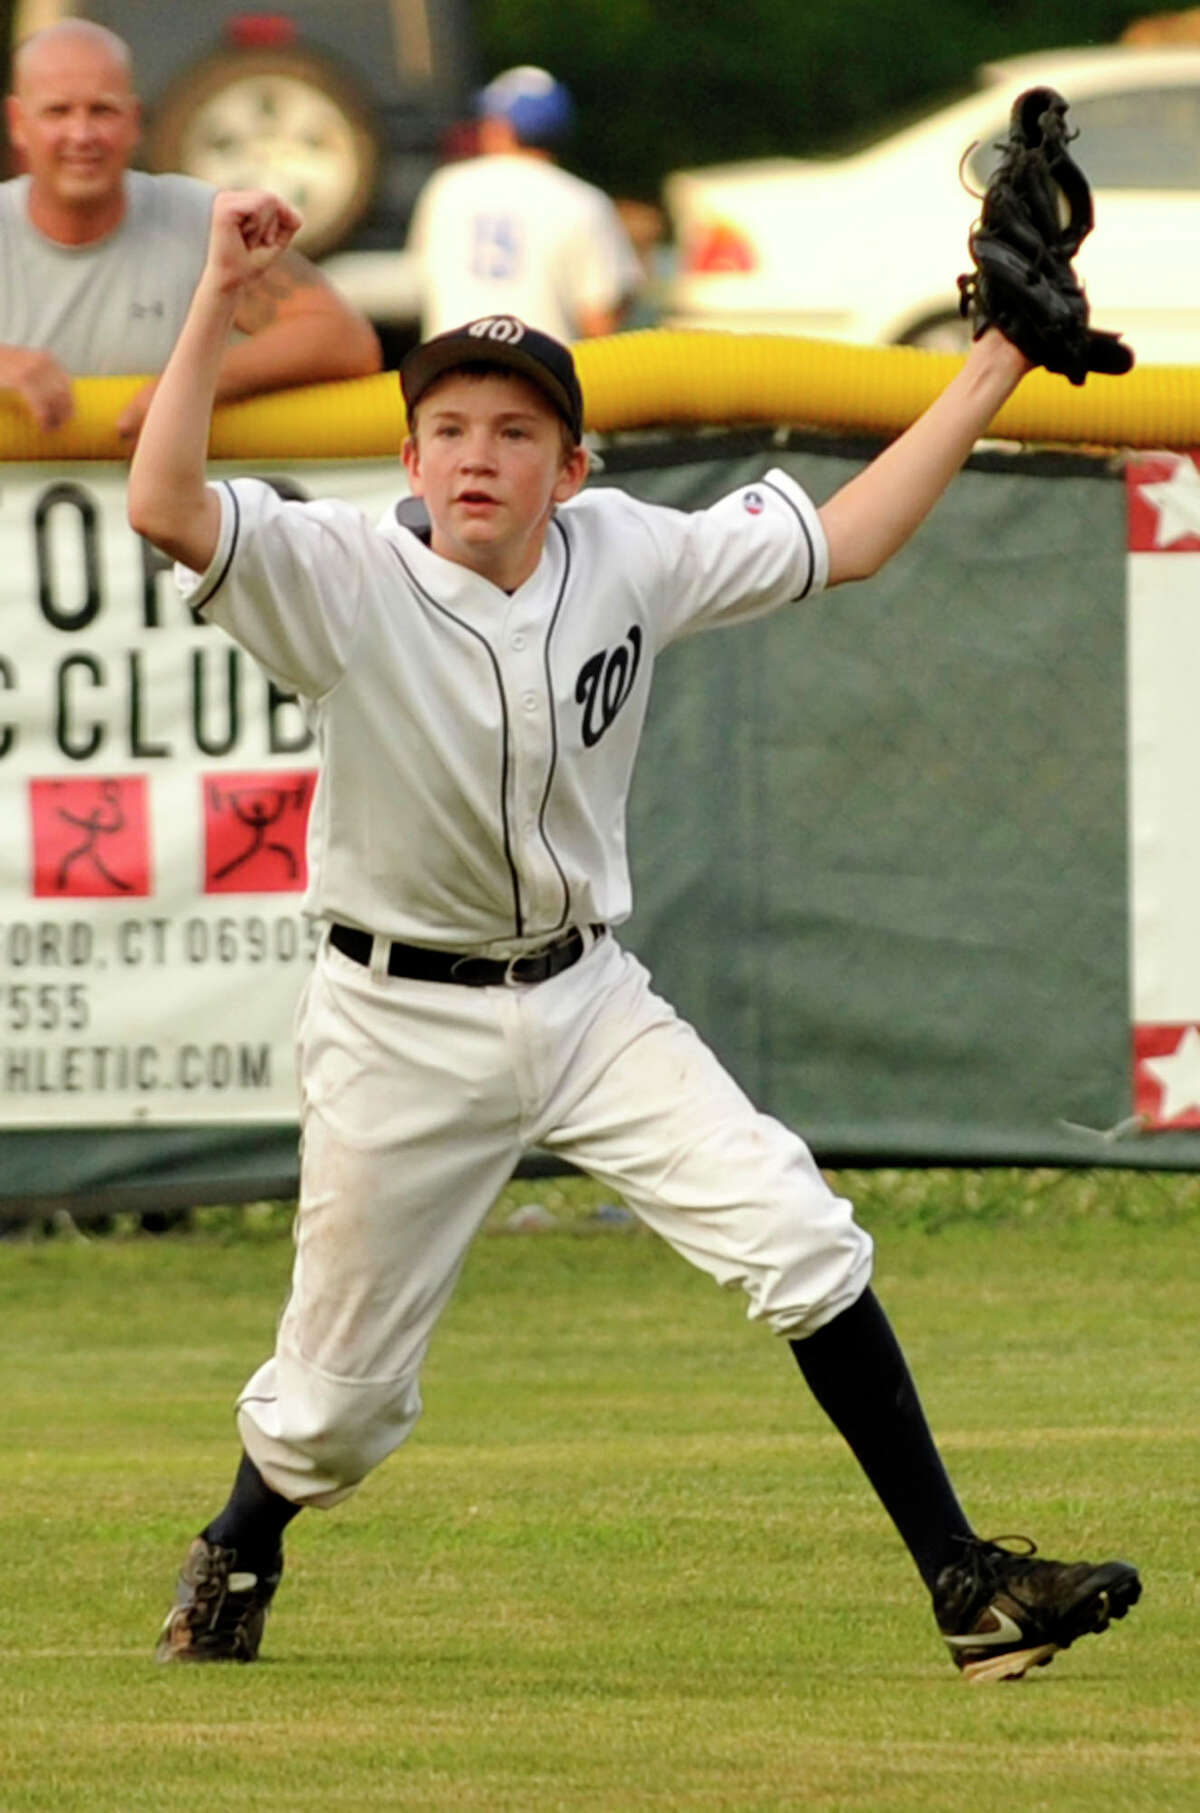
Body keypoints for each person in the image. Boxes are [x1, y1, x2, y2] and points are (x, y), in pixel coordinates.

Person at [128, 190, 1142, 1682]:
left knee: (799, 1234)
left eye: (519, 430)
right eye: (453, 426)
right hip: (397, 1020)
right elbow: (163, 505)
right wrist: (218, 293)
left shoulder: (623, 551)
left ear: (574, 465)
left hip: (590, 996)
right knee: (336, 1407)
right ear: (409, 459)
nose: (481, 452)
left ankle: (965, 1585)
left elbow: (847, 537)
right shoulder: (339, 575)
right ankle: (245, 1543)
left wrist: (991, 362)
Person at [0, 20, 381, 441]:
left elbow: (344, 338)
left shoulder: (198, 222)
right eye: (58, 111)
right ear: (17, 121)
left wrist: (189, 386)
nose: (82, 134)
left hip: (158, 502)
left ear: (134, 120)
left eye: (102, 110)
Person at [407, 64, 642, 342]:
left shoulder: (446, 187)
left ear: (499, 128)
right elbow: (598, 323)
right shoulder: (583, 201)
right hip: (539, 378)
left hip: (449, 374)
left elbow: (419, 278)